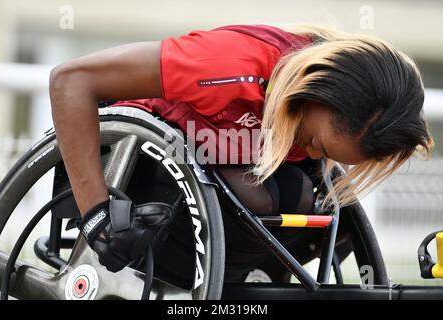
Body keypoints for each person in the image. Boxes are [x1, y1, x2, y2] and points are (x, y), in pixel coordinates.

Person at [49, 24, 434, 281]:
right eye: (314, 141)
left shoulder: (316, 118)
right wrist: (96, 214)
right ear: (319, 91)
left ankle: (251, 279)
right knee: (255, 196)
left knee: (316, 206)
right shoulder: (231, 63)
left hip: (215, 179)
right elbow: (70, 79)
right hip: (137, 174)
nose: (308, 149)